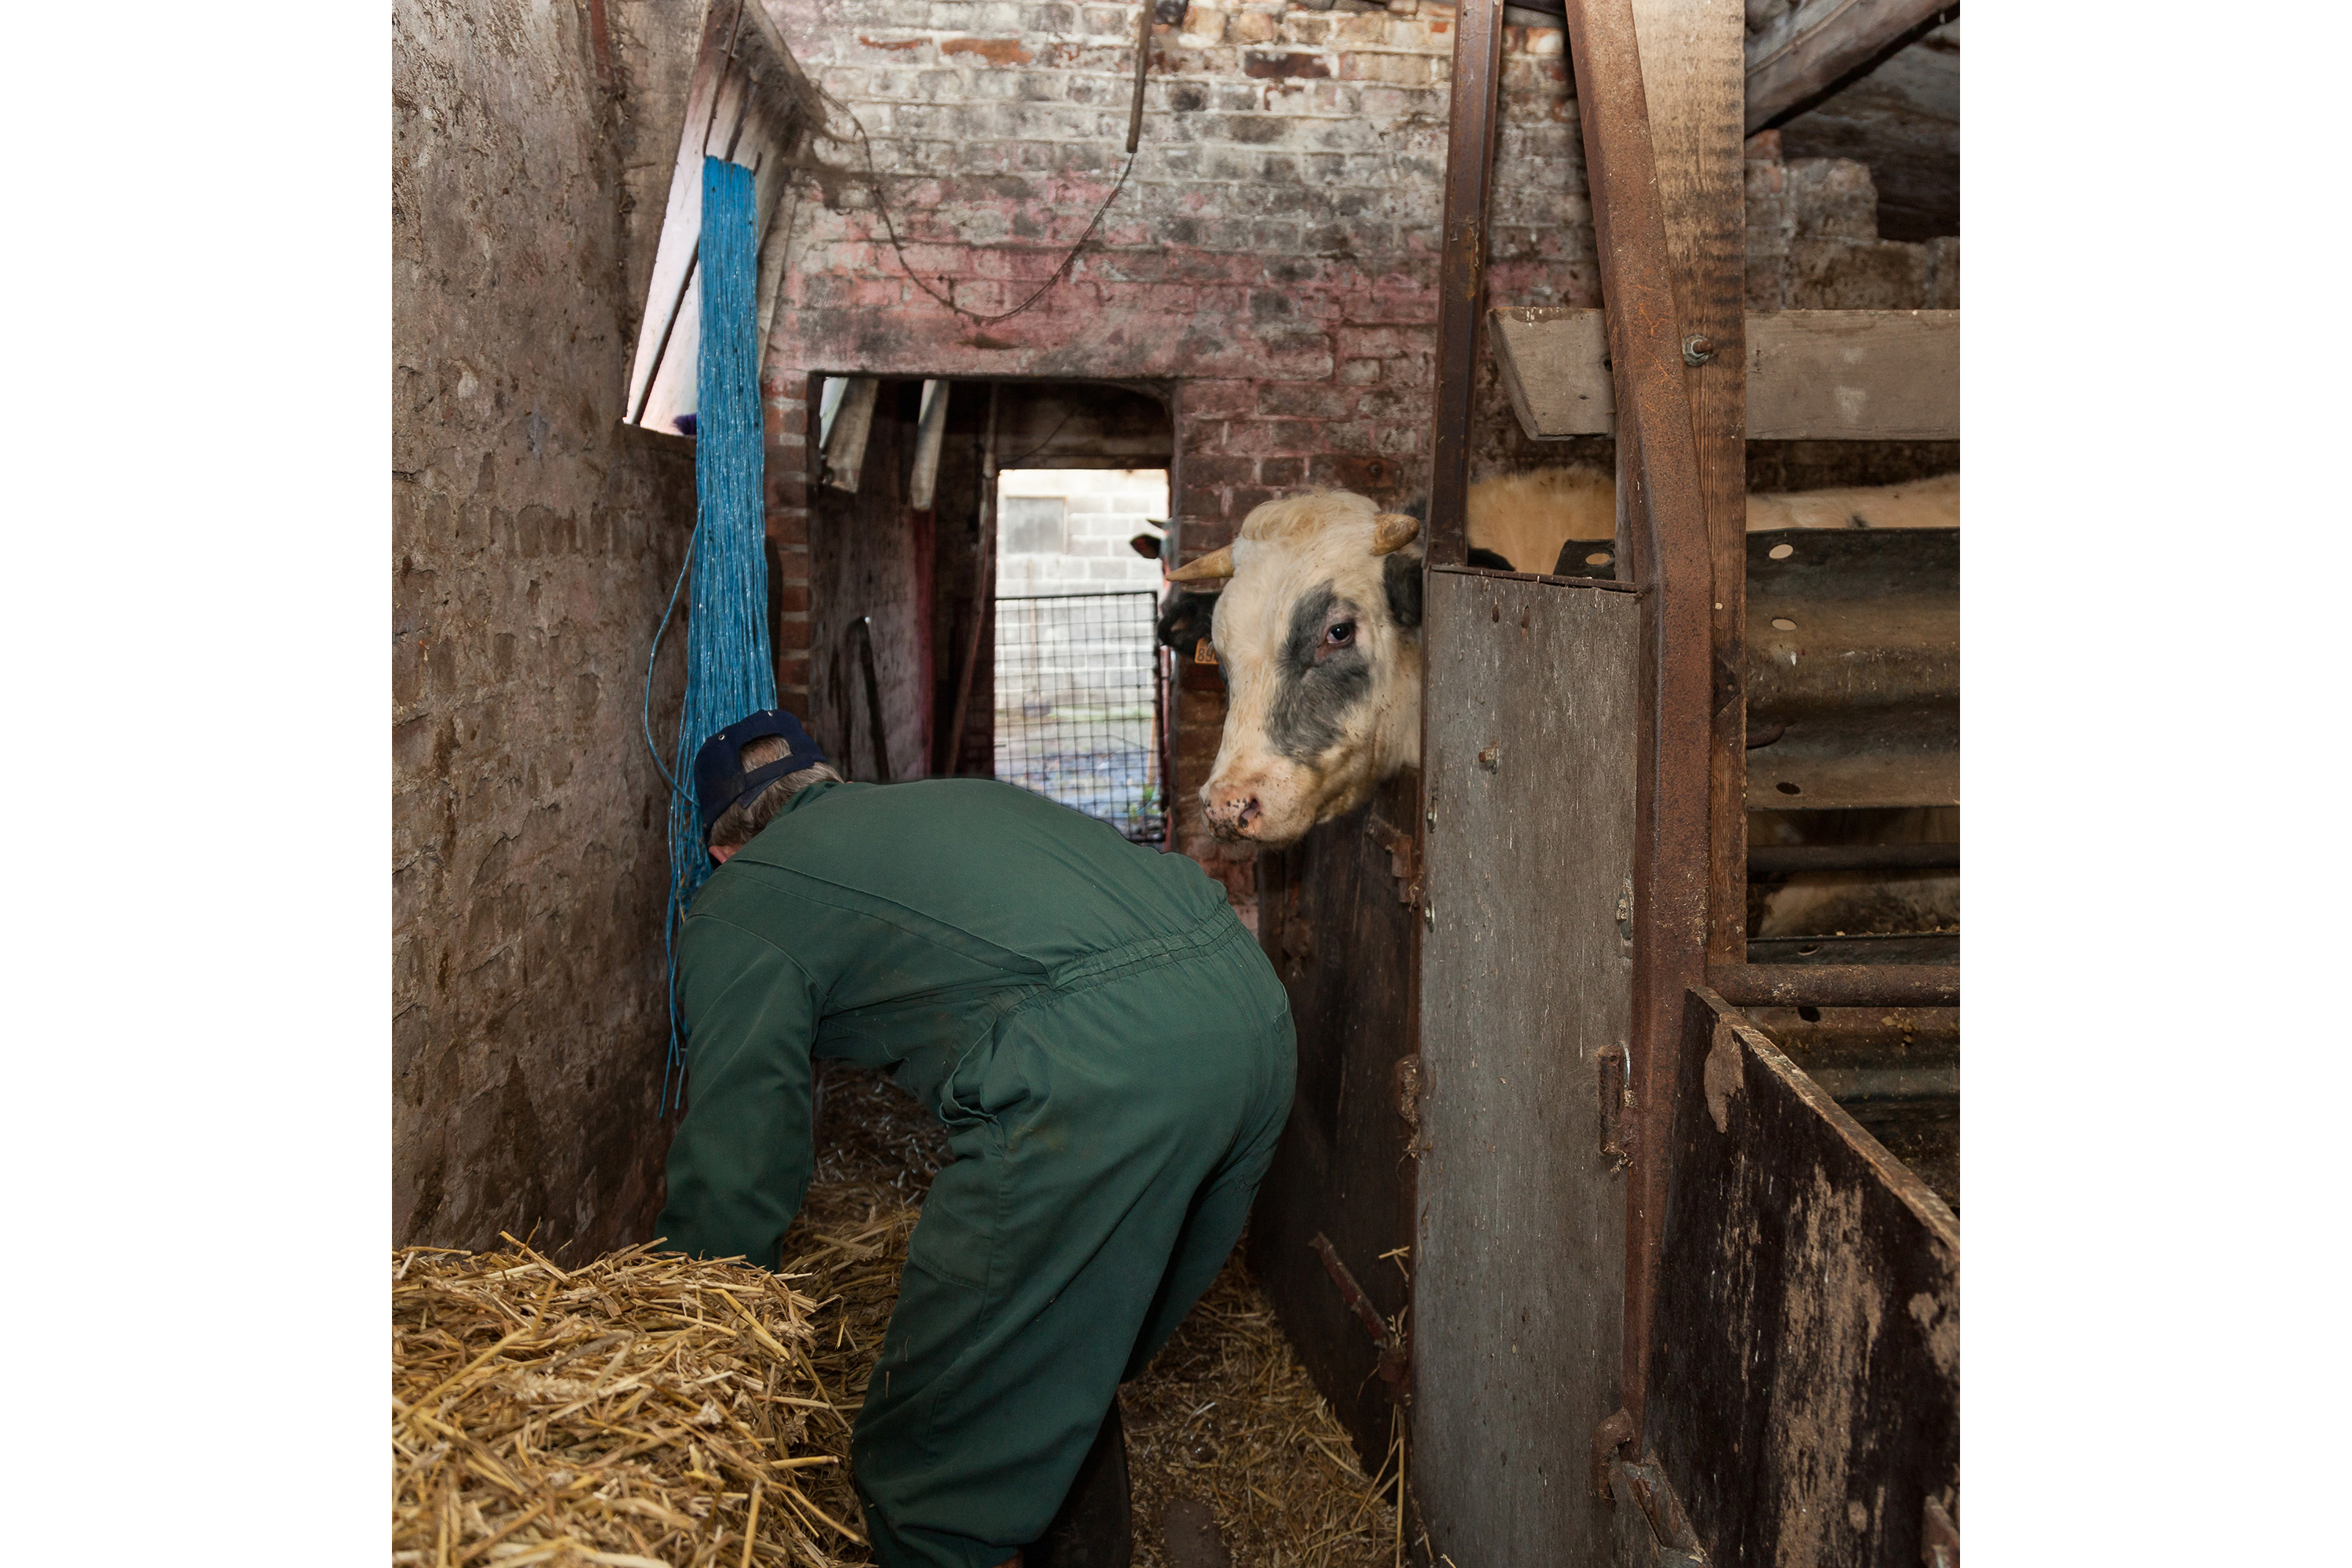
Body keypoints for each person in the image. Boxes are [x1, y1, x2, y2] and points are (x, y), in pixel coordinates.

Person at [658, 710, 1297, 1568]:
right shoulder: (931, 810)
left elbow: (741, 1151)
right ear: (823, 786)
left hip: (1104, 1071)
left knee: (928, 1456)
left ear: (722, 849)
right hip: (1249, 1012)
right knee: (1068, 1347)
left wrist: (692, 1343)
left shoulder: (743, 899)